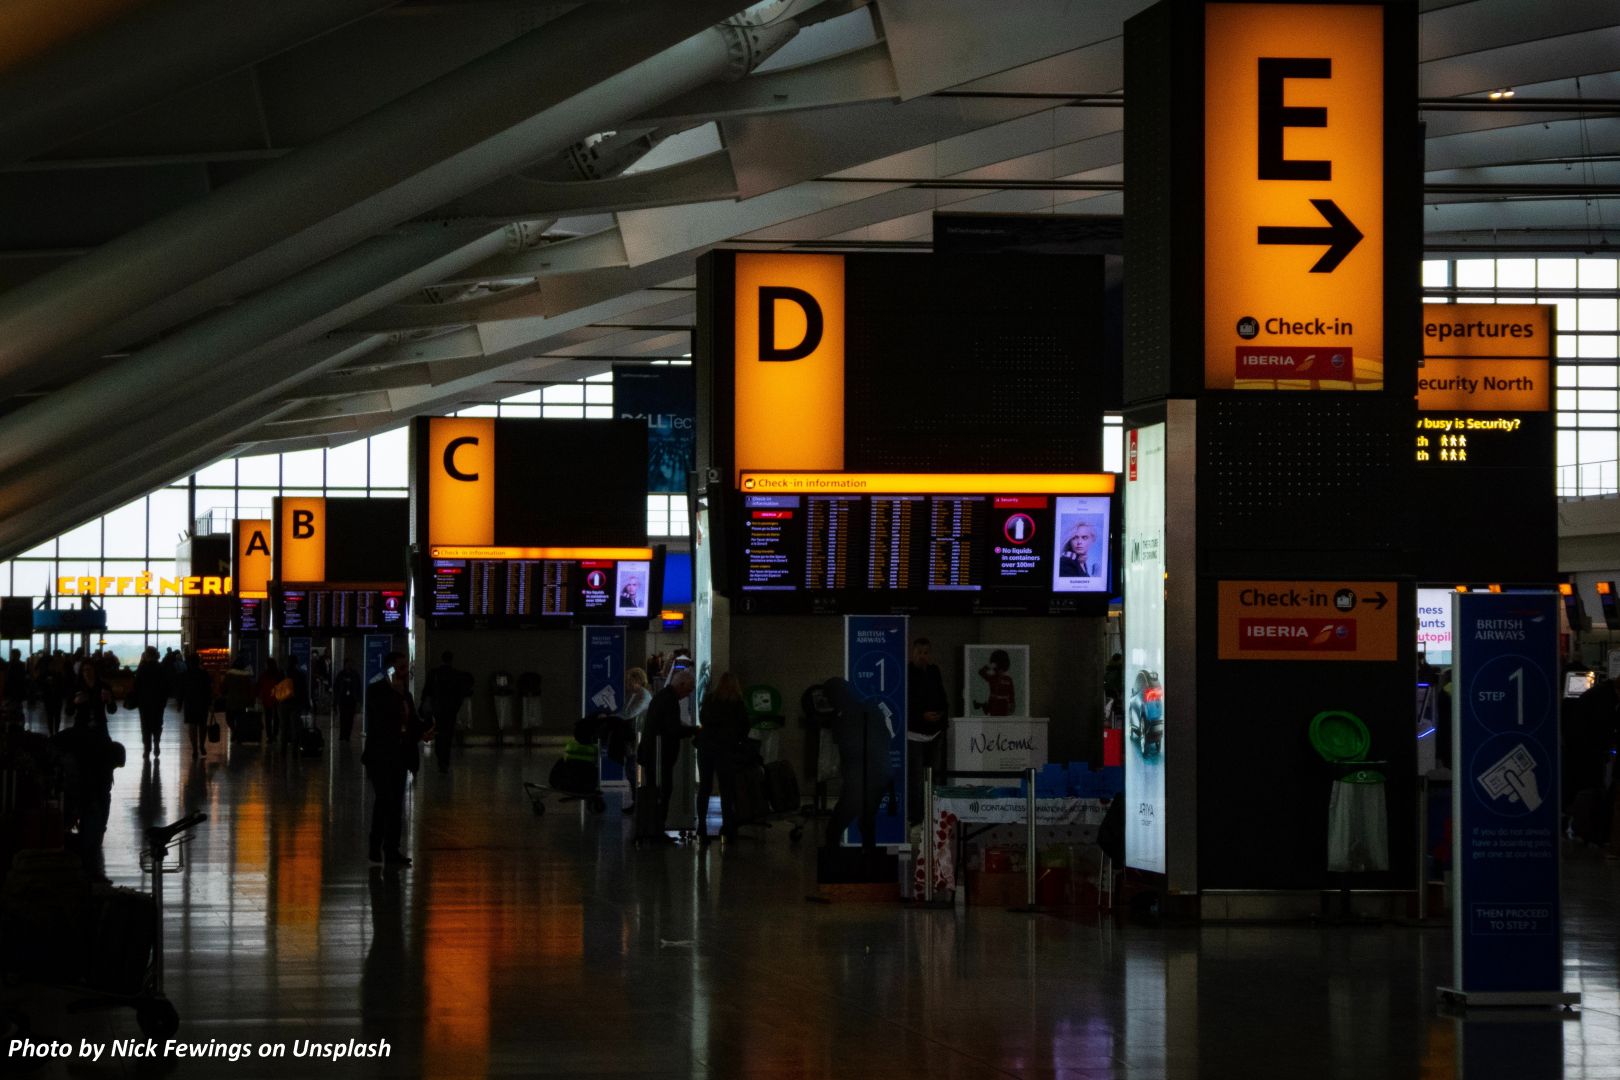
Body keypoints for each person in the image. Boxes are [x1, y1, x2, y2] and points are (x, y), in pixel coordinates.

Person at [362, 652, 427, 866]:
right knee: (384, 799)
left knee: (396, 804)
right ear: (390, 669)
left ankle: (391, 849)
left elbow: (412, 723)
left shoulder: (406, 695)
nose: (405, 671)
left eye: (406, 667)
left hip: (400, 756)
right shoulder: (376, 691)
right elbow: (383, 721)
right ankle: (375, 843)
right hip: (380, 756)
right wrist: (397, 694)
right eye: (401, 667)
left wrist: (424, 731)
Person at [822, 677, 893, 854]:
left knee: (835, 827)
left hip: (859, 779)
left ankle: (835, 871)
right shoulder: (871, 710)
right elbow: (885, 739)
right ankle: (871, 868)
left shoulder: (843, 719)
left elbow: (847, 750)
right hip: (880, 775)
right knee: (867, 822)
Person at [636, 668, 696, 842]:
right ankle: (657, 829)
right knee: (662, 791)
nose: (689, 693)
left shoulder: (662, 696)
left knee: (657, 791)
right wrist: (693, 730)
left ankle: (654, 828)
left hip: (653, 754)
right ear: (681, 684)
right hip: (659, 757)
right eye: (689, 689)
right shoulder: (669, 700)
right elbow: (672, 729)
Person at [695, 672, 750, 845]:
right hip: (726, 750)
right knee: (727, 789)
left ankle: (702, 825)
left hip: (706, 748)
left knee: (705, 787)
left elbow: (702, 718)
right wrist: (736, 740)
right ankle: (727, 825)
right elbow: (745, 726)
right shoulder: (737, 703)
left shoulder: (711, 699)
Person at [906, 638, 950, 825]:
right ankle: (916, 818)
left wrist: (942, 717)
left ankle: (935, 815)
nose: (923, 656)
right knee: (916, 778)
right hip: (914, 732)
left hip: (935, 731)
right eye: (919, 652)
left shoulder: (934, 671)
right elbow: (906, 703)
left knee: (936, 776)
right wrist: (921, 716)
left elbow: (941, 696)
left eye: (926, 653)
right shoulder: (907, 673)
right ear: (913, 653)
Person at [422, 651, 470, 774]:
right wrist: (456, 707)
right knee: (448, 735)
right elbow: (461, 693)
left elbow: (427, 690)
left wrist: (426, 705)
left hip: (438, 708)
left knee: (438, 732)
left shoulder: (434, 673)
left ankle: (440, 758)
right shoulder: (456, 675)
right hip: (451, 709)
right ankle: (445, 761)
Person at [132, 645, 170, 758]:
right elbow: (166, 686)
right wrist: (164, 700)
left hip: (144, 702)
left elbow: (136, 685)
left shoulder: (142, 668)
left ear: (146, 655)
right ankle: (156, 743)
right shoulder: (161, 668)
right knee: (157, 724)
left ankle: (147, 748)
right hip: (158, 702)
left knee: (145, 725)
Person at [181, 649, 214, 759]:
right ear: (199, 662)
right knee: (202, 725)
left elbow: (182, 690)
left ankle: (194, 748)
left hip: (190, 703)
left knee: (192, 726)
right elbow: (209, 689)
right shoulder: (204, 674)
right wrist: (210, 702)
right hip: (202, 703)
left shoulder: (185, 675)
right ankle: (202, 745)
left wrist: (180, 703)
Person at [975, 649, 1016, 716]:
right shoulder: (992, 677)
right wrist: (990, 665)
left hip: (1004, 704)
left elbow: (1011, 694)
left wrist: (1012, 704)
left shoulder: (1008, 679)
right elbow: (981, 672)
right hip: (993, 703)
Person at [334, 660, 362, 742]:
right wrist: (336, 700)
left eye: (350, 664)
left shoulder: (355, 675)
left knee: (350, 718)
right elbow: (336, 686)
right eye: (347, 664)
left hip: (352, 699)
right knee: (343, 717)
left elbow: (358, 687)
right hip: (343, 699)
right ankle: (342, 735)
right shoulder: (341, 674)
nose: (348, 666)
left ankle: (347, 735)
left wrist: (358, 700)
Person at [257, 658, 283, 743]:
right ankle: (275, 735)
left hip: (267, 699)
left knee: (268, 718)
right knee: (276, 718)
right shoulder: (278, 674)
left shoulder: (264, 675)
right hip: (276, 699)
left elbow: (259, 685)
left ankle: (269, 736)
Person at [3, 647, 28, 722]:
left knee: (11, 706)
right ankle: (18, 722)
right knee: (18, 706)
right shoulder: (21, 665)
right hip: (19, 689)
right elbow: (23, 678)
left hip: (11, 688)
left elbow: (7, 677)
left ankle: (12, 721)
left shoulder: (9, 664)